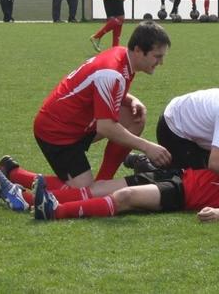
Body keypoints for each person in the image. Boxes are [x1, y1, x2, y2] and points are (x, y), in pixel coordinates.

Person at [20, 21, 173, 198]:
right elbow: (106, 127)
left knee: (134, 118)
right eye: (157, 56)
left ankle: (104, 180)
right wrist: (147, 147)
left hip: (77, 124)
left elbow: (99, 89)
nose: (161, 62)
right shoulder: (112, 72)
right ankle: (13, 173)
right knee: (83, 191)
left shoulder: (121, 56)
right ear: (138, 50)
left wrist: (131, 99)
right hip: (56, 132)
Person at [0, 159, 219, 222]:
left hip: (183, 194)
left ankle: (50, 210)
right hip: (182, 177)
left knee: (122, 199)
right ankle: (23, 188)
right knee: (96, 187)